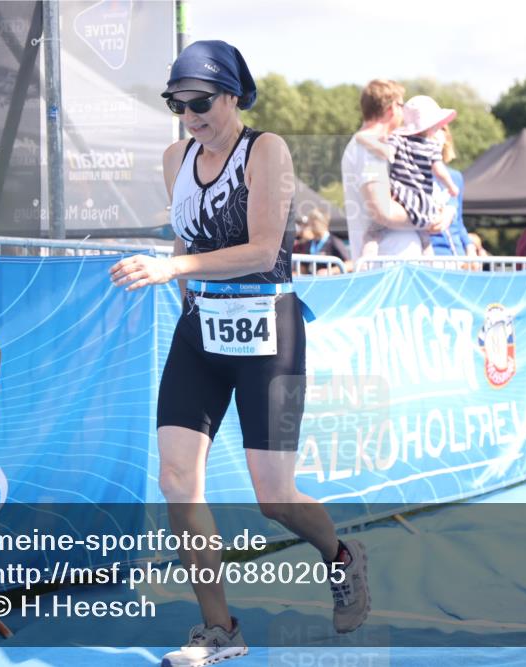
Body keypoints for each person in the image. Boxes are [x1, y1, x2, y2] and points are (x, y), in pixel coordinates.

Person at [109, 40, 369, 667]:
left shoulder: (267, 150)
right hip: (201, 329)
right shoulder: (176, 158)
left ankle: (341, 557)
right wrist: (179, 284)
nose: (189, 113)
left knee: (273, 497)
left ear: (231, 95)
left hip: (270, 334)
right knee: (176, 478)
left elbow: (258, 251)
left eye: (200, 100)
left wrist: (172, 268)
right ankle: (220, 629)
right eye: (177, 102)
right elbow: (187, 241)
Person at [340, 80, 448, 262]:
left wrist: (440, 214)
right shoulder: (371, 148)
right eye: (402, 105)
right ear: (391, 109)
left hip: (394, 266)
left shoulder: (373, 144)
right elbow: (382, 209)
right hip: (389, 268)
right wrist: (427, 217)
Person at [429, 126, 477, 258]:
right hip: (427, 256)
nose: (436, 133)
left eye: (441, 128)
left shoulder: (455, 177)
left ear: (447, 138)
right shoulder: (412, 173)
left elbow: (459, 221)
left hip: (456, 257)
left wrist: (470, 246)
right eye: (432, 128)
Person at [293, 208, 350, 274]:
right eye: (309, 224)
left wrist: (329, 271)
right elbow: (303, 268)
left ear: (322, 223)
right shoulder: (309, 243)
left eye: (313, 224)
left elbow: (349, 264)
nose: (310, 227)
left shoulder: (334, 242)